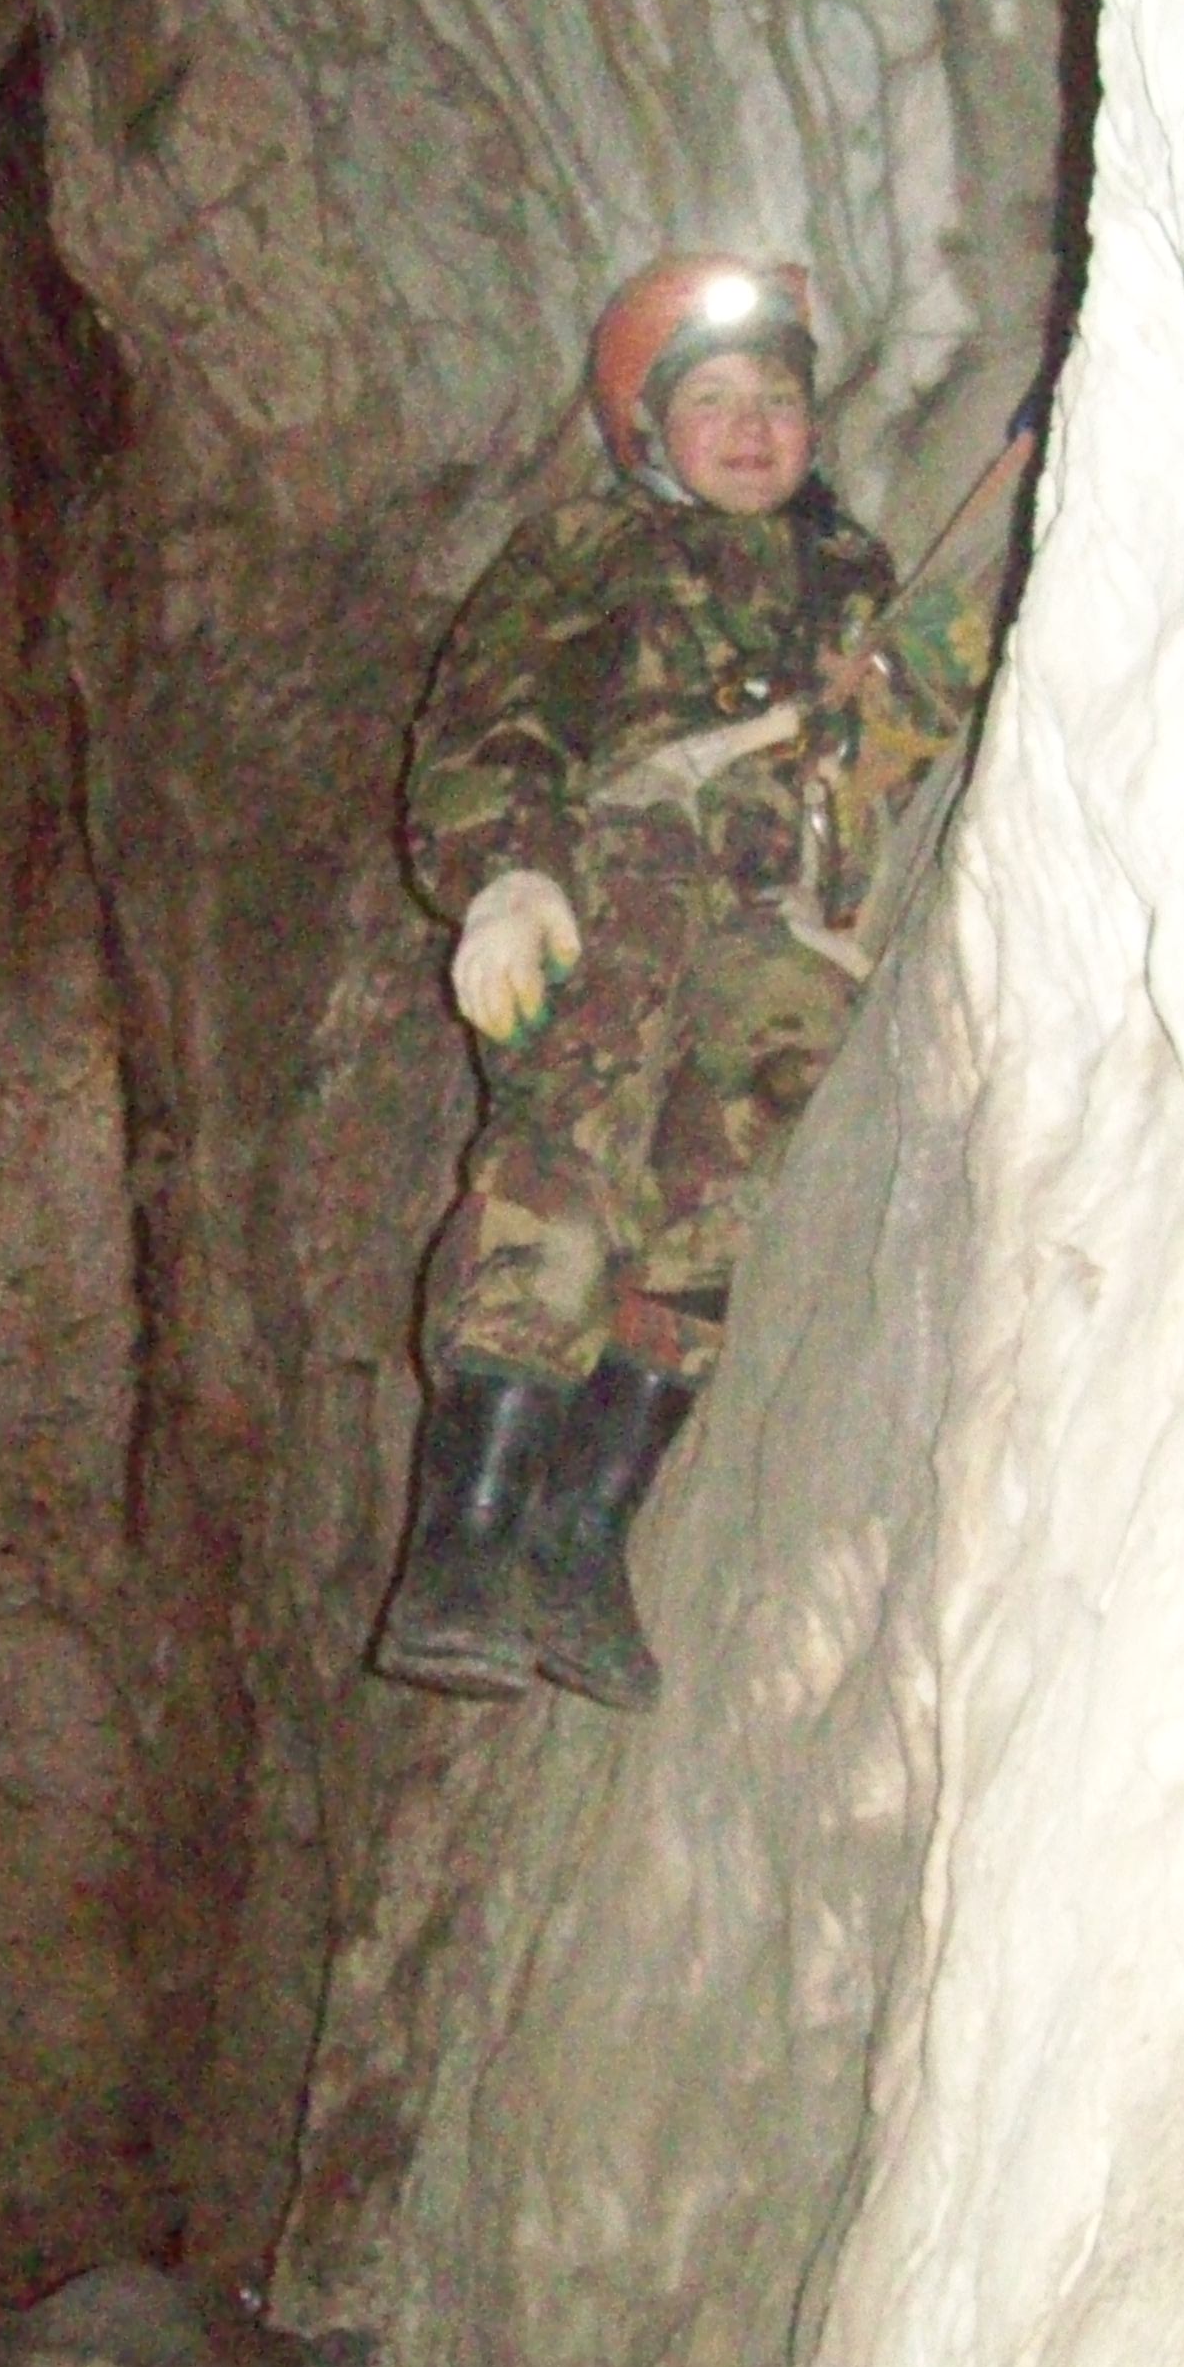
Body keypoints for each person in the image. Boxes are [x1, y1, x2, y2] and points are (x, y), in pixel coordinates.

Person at [373, 254, 1009, 1713]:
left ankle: (583, 1538)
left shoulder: (851, 577)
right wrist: (509, 873)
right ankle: (464, 1544)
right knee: (567, 1164)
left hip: (777, 929)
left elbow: (899, 730)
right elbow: (494, 716)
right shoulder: (589, 549)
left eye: (775, 399)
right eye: (711, 401)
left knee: (712, 1202)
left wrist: (916, 672)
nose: (750, 427)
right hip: (623, 881)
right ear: (649, 430)